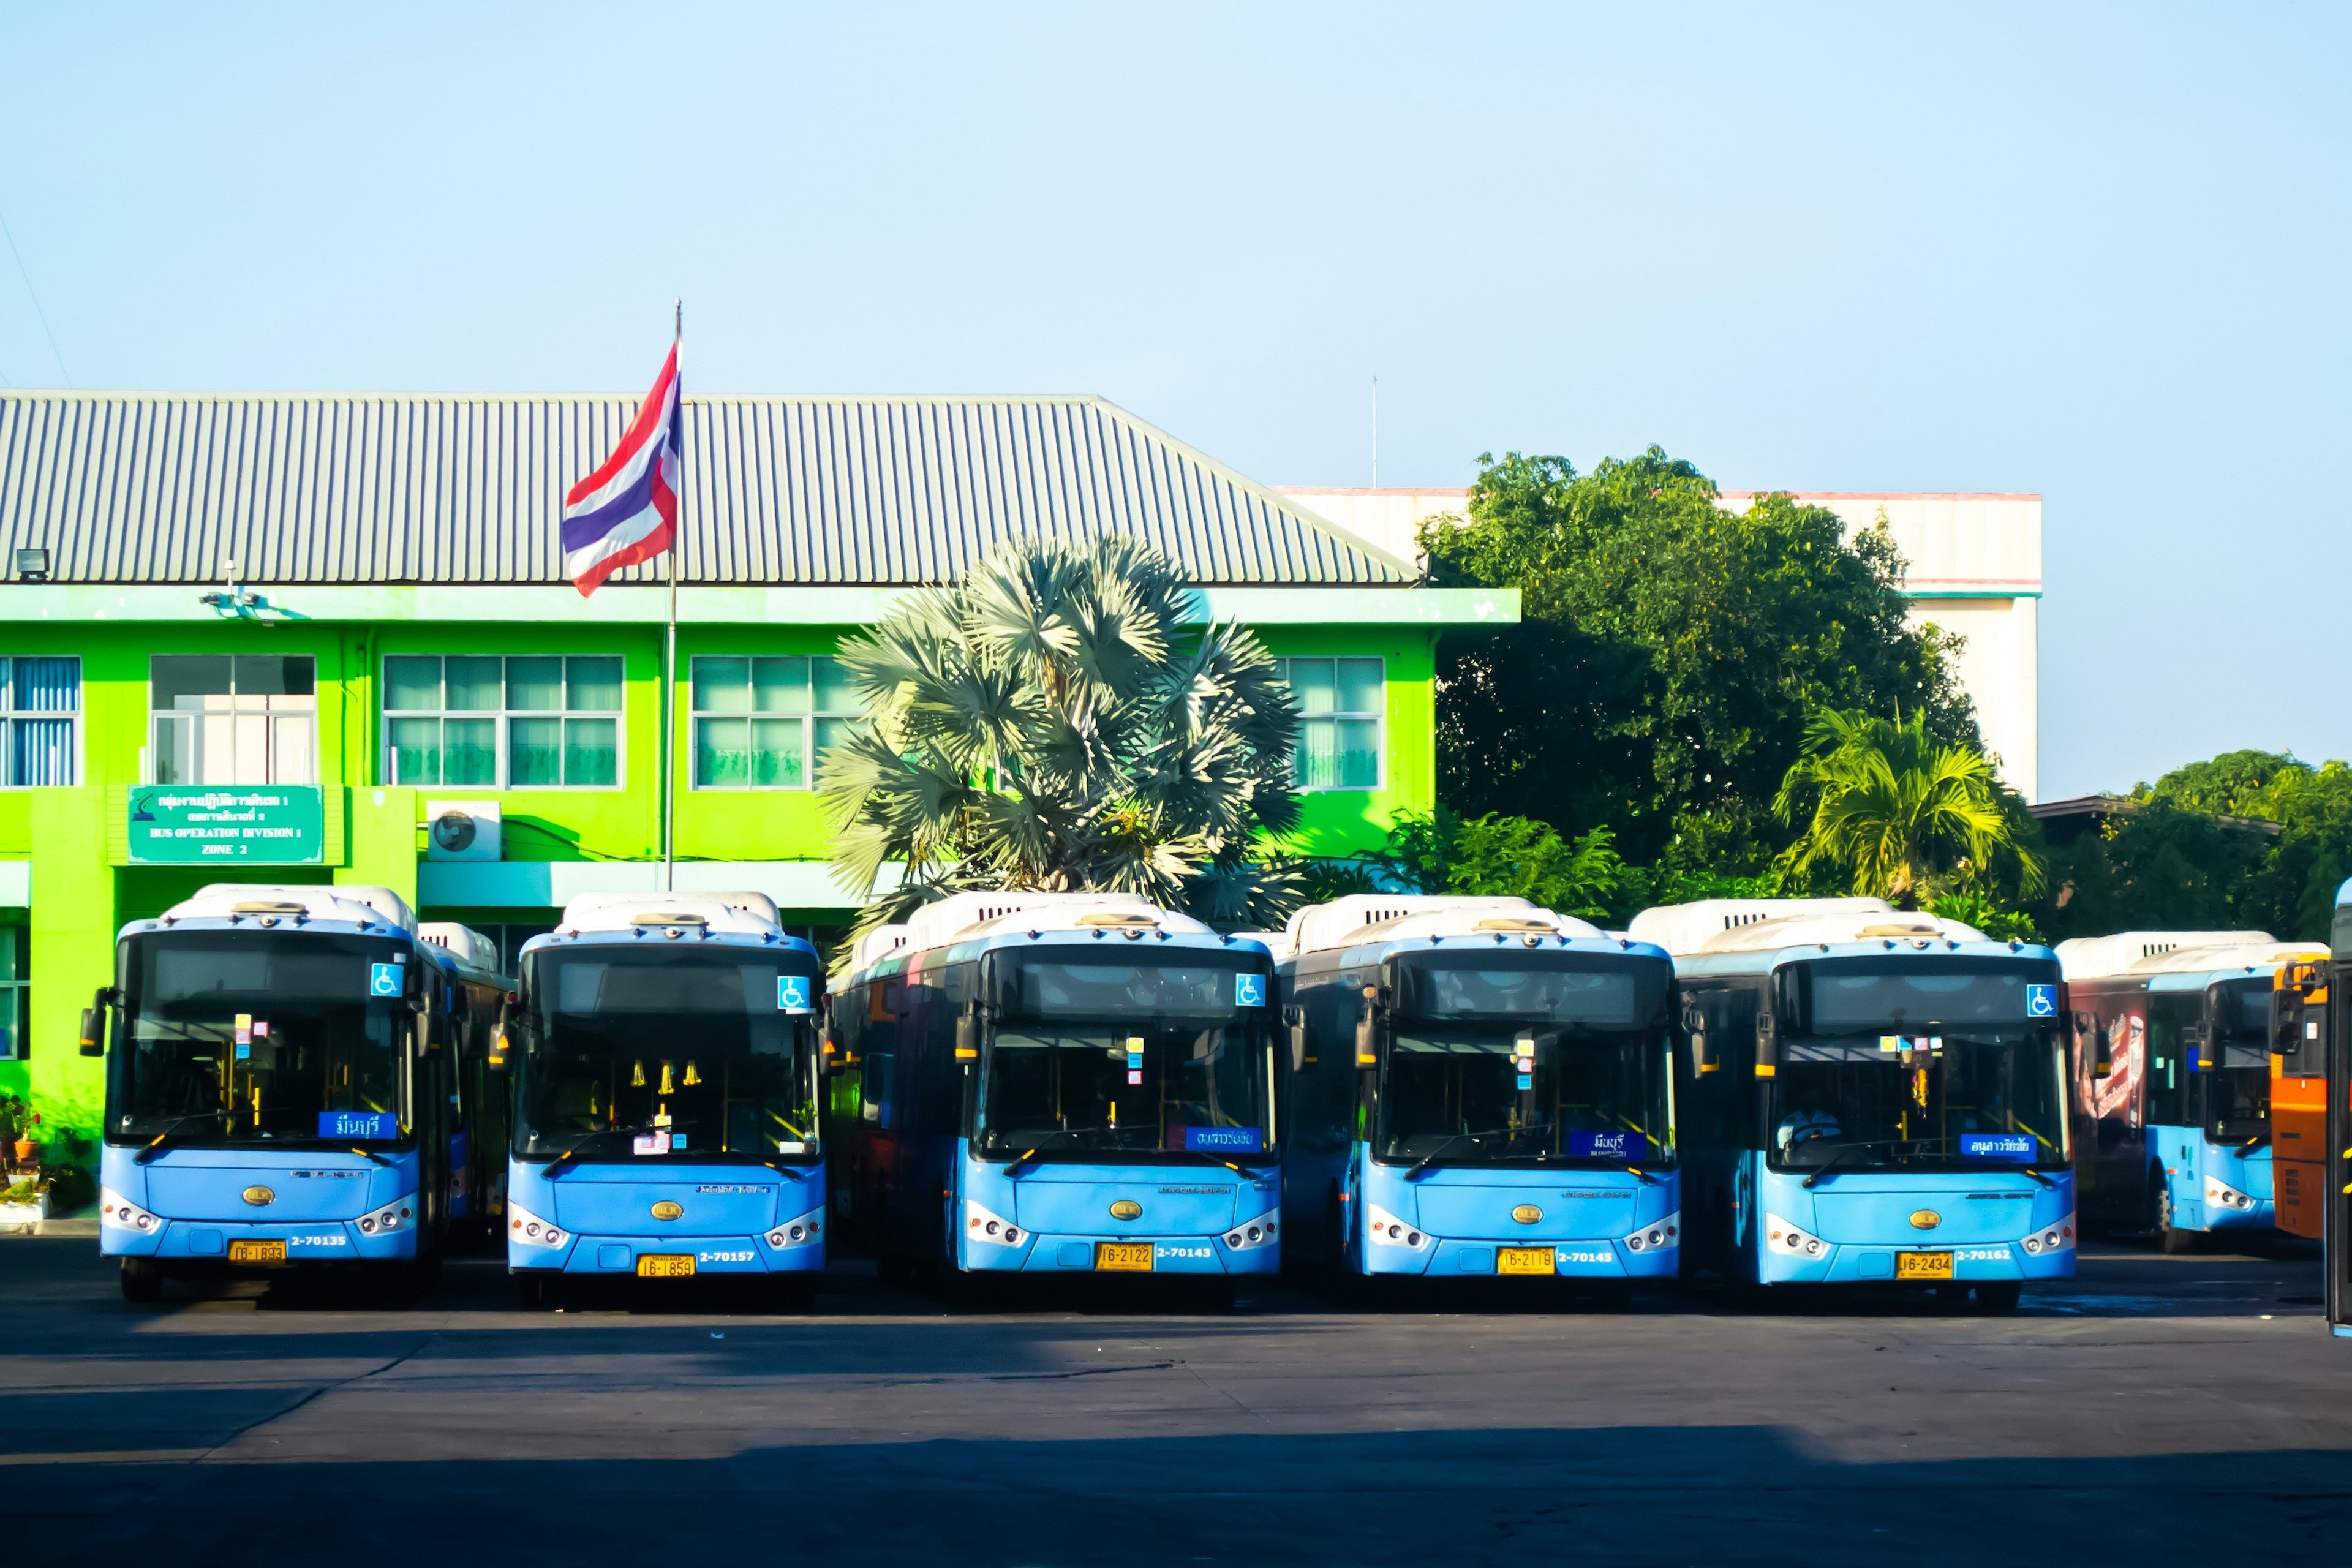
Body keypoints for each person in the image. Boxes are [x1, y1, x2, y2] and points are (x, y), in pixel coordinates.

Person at [1775, 1094, 1841, 1157]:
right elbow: (1785, 1157)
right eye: (1806, 1096)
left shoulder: (1830, 1120)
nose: (1809, 1099)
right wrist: (1806, 1143)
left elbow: (1838, 1149)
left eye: (1812, 1096)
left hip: (1830, 1164)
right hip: (1799, 1166)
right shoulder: (1787, 1125)